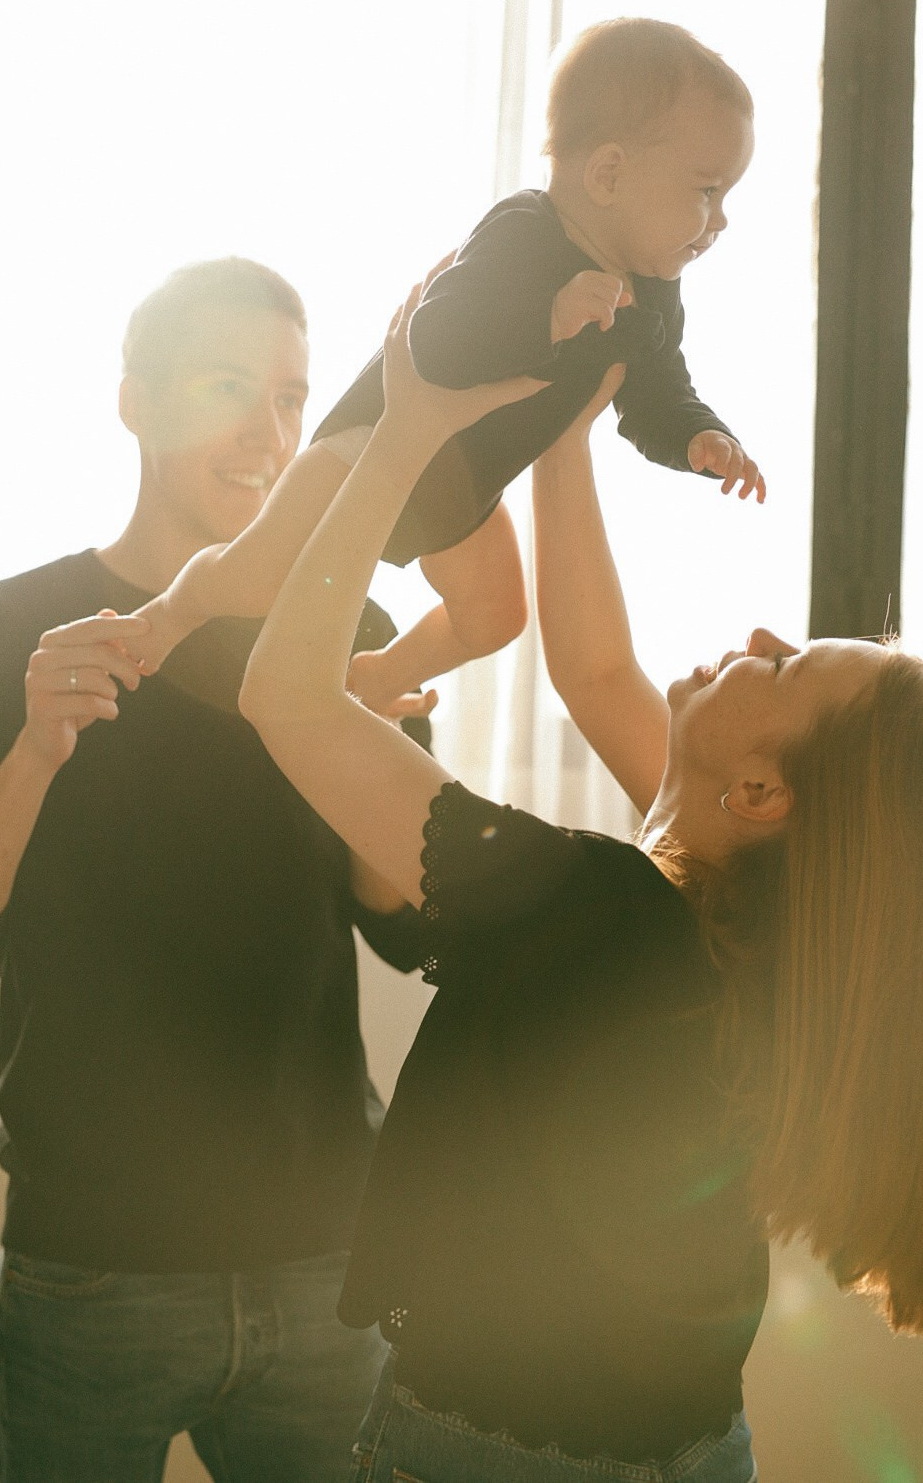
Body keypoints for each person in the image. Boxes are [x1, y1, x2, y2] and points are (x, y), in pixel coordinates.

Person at [234, 283, 923, 1482]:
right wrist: (566, 433)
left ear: (762, 795)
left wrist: (401, 435)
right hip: (693, 1445)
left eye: (786, 668)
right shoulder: (754, 927)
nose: (763, 637)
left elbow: (283, 697)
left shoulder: (597, 907)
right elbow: (597, 669)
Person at [0, 258, 434, 1483]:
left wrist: (364, 746)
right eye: (229, 387)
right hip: (92, 1275)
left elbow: (410, 932)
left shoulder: (351, 632)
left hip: (326, 1267)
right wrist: (35, 749)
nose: (269, 433)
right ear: (135, 401)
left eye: (291, 397)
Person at [137, 18, 764, 716]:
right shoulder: (524, 233)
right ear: (609, 174)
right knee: (254, 580)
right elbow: (436, 340)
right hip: (368, 453)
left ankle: (379, 676)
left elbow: (658, 391)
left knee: (496, 616)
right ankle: (170, 610)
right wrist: (548, 317)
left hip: (462, 487)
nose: (720, 220)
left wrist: (697, 437)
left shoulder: (653, 292)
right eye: (707, 191)